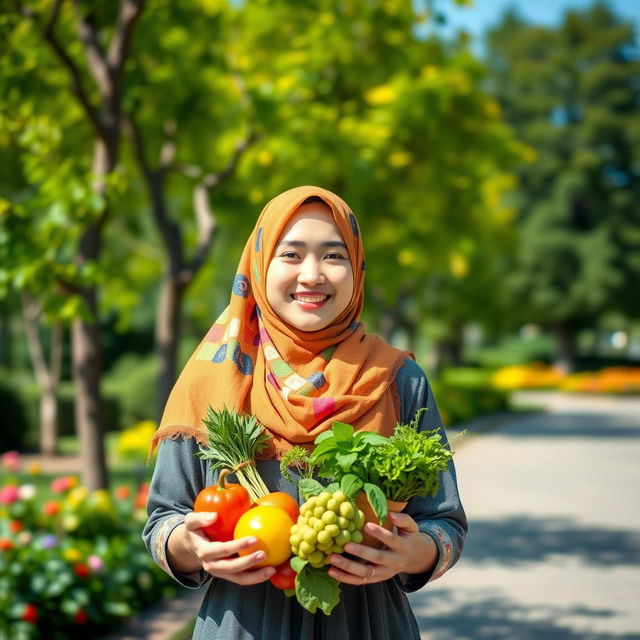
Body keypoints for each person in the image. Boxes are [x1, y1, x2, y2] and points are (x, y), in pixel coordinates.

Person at [143, 185, 467, 639]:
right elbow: (163, 522)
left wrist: (413, 554)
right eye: (291, 255)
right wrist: (192, 547)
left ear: (356, 268)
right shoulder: (213, 377)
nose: (312, 274)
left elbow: (446, 522)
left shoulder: (399, 379)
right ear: (259, 266)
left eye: (333, 256)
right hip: (242, 624)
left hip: (368, 626)